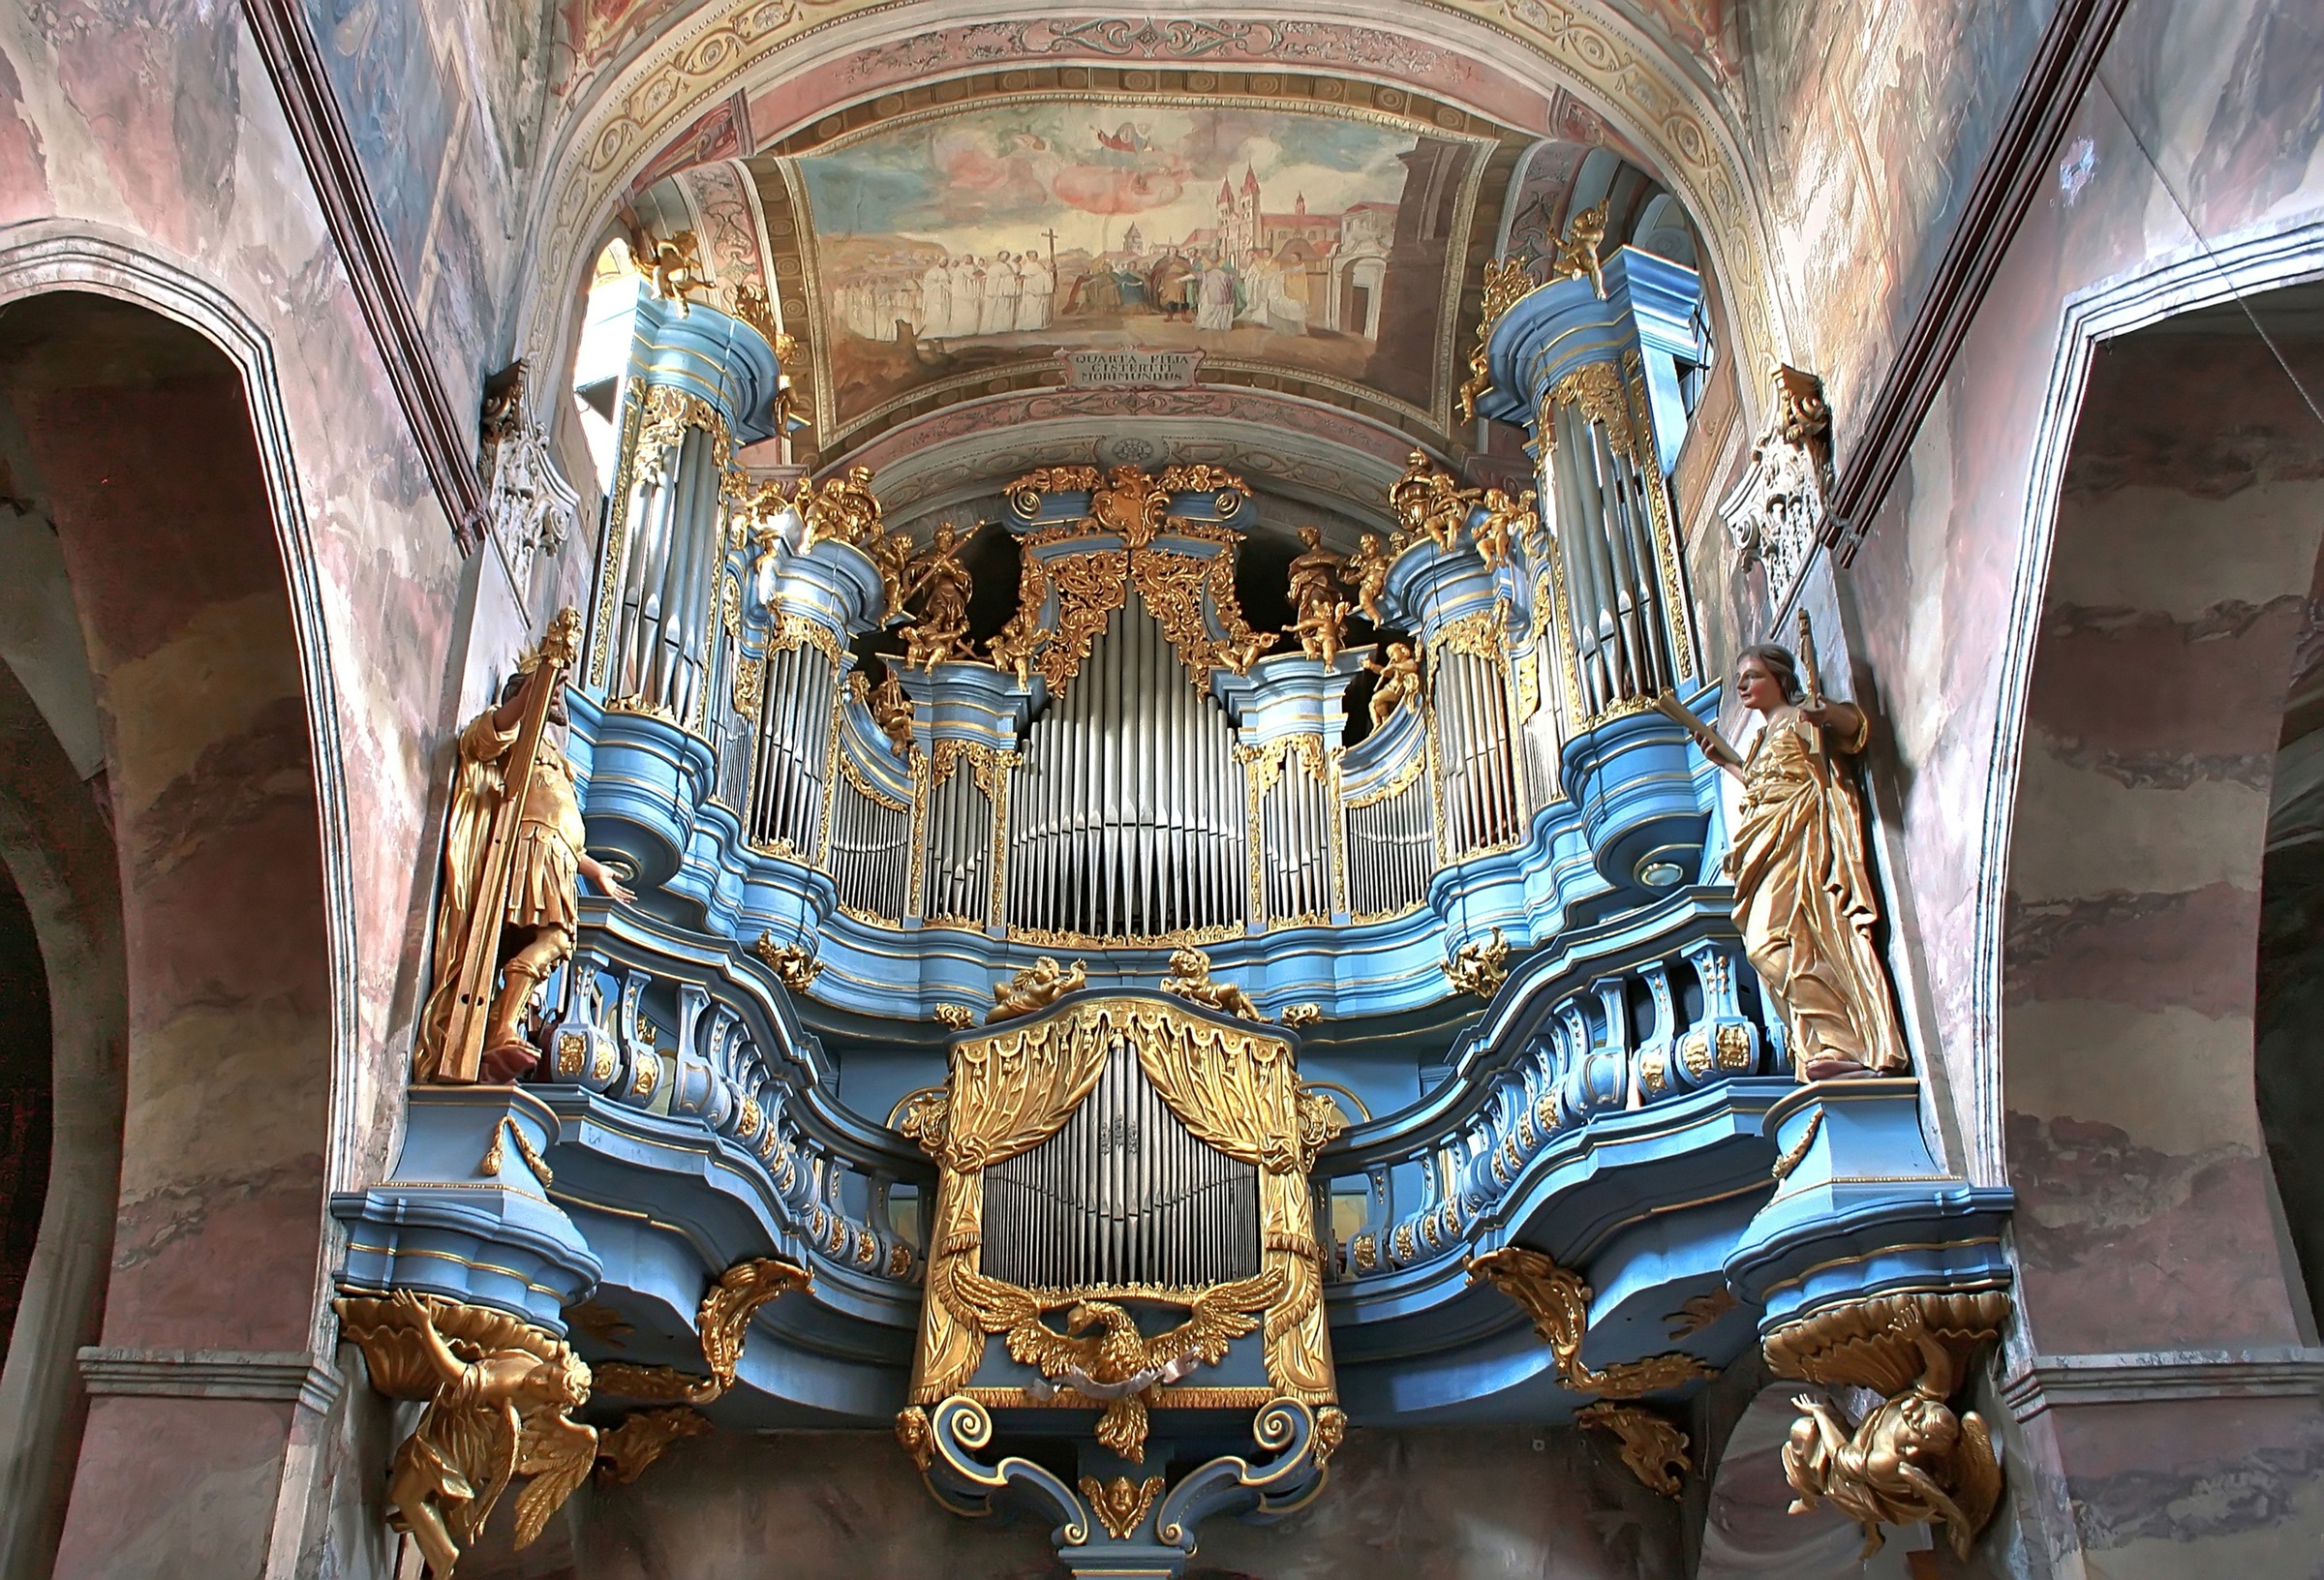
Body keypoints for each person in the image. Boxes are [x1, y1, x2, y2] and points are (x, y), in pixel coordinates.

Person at [1655, 642, 1908, 1080]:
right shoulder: (1759, 740)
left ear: (1779, 679)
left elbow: (1856, 728)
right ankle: (1828, 1038)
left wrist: (1826, 712)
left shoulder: (1799, 716)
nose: (1741, 685)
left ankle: (1843, 1039)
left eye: (1751, 675)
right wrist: (1727, 763)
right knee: (1766, 946)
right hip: (1767, 842)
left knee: (1772, 942)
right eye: (1741, 678)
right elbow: (1760, 783)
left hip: (1799, 834)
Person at [419, 668, 635, 1081]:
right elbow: (482, 740)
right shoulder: (518, 735)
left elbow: (566, 830)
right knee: (555, 937)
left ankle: (498, 1023)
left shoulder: (555, 756)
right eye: (549, 693)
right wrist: (532, 695)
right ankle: (499, 1026)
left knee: (555, 941)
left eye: (556, 694)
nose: (558, 699)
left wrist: (593, 871)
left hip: (556, 854)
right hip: (528, 848)